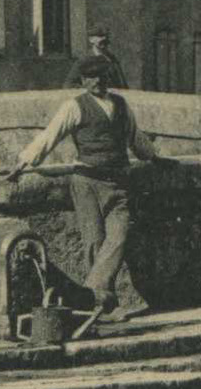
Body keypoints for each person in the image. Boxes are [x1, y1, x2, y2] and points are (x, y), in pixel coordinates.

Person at [11, 53, 158, 331]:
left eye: (102, 77)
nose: (97, 82)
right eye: (90, 77)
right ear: (83, 80)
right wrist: (24, 162)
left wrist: (153, 157)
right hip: (86, 181)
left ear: (109, 78)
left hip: (119, 182)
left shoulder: (122, 106)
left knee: (119, 237)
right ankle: (105, 308)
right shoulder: (74, 106)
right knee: (94, 242)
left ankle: (89, 301)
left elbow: (136, 139)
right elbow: (50, 135)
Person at [63, 26, 128, 89]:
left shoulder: (112, 59)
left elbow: (122, 85)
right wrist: (88, 88)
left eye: (106, 36)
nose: (104, 38)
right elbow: (68, 85)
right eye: (100, 36)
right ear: (91, 39)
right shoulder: (84, 60)